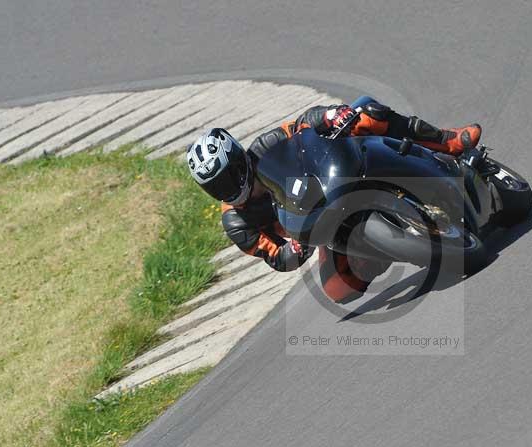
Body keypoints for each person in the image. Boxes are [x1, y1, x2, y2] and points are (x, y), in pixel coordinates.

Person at [187, 96, 481, 304]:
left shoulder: (265, 147)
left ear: (239, 158)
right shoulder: (236, 222)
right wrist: (295, 249)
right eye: (216, 187)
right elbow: (275, 256)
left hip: (339, 178)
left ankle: (446, 140)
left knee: (368, 112)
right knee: (340, 290)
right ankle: (390, 246)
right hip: (323, 227)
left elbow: (302, 125)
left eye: (228, 176)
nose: (227, 189)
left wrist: (329, 115)